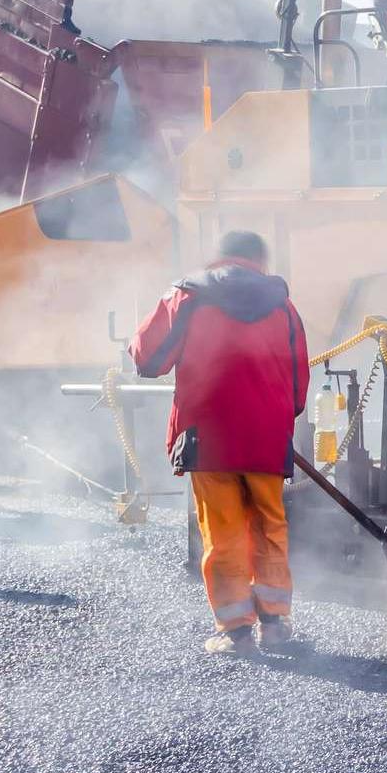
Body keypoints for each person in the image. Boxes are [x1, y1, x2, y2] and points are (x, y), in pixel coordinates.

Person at [129, 231, 310, 655]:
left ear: (217, 259)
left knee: (223, 531)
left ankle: (236, 632)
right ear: (258, 260)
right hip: (267, 437)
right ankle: (276, 624)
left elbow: (148, 360)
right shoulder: (283, 306)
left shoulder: (186, 296)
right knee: (270, 526)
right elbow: (300, 382)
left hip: (209, 437)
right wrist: (280, 418)